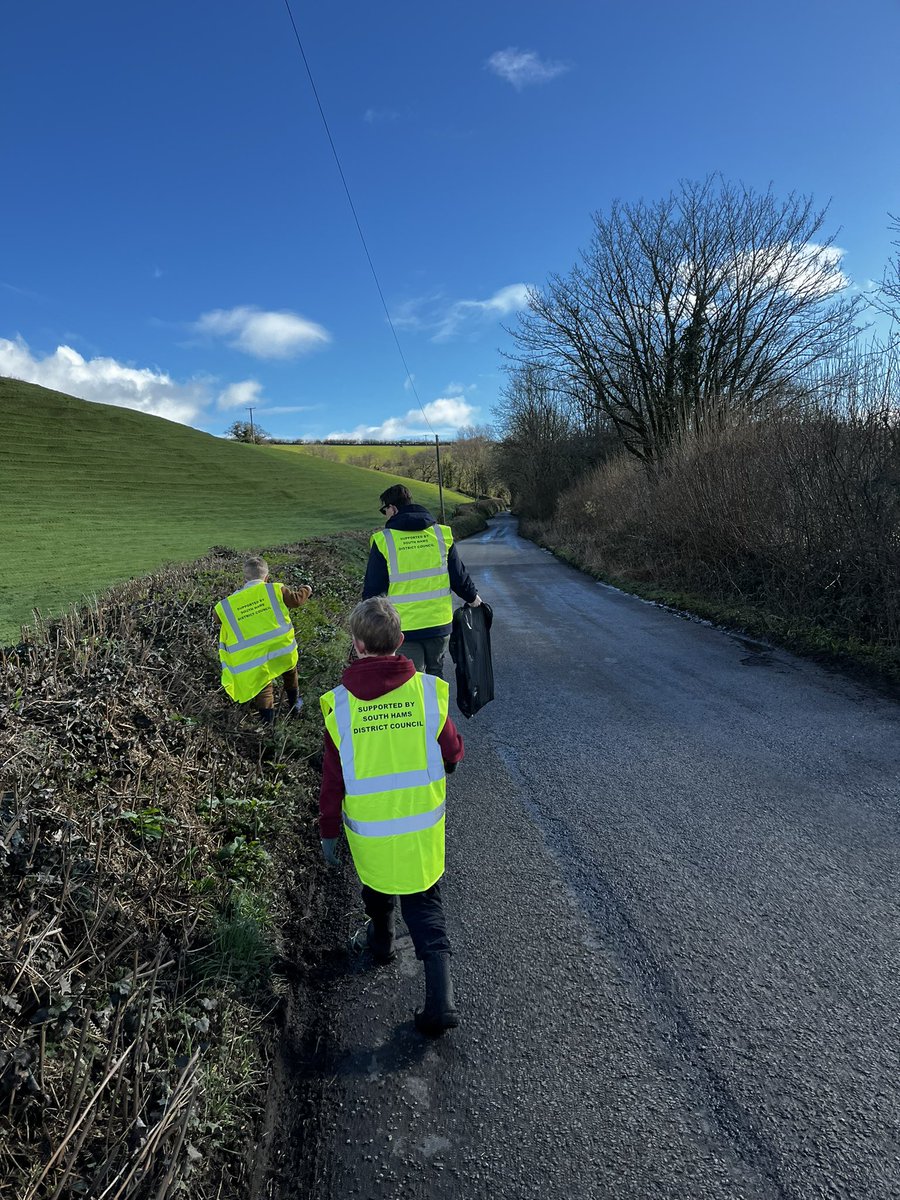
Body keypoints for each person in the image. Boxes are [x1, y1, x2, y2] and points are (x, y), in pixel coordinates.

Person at [319, 596, 464, 1035]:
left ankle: (380, 944)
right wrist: (444, 764)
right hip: (420, 827)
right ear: (400, 641)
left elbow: (332, 782)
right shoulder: (428, 693)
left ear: (357, 645)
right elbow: (453, 752)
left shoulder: (339, 707)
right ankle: (441, 1002)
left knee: (378, 890)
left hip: (371, 832)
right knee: (424, 905)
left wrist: (329, 832)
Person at [362, 483, 483, 678]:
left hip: (403, 627)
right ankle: (439, 700)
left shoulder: (383, 540)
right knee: (436, 675)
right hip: (439, 624)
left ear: (393, 508)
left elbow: (373, 589)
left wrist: (367, 625)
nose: (385, 515)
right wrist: (473, 598)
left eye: (384, 510)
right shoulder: (440, 534)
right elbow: (458, 576)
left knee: (412, 679)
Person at [215, 556, 312, 725]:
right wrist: (307, 589)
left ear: (244, 579)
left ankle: (268, 724)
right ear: (267, 577)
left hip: (254, 656)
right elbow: (296, 600)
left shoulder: (228, 603)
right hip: (282, 648)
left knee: (264, 686)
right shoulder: (275, 589)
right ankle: (294, 705)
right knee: (290, 671)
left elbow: (217, 618)